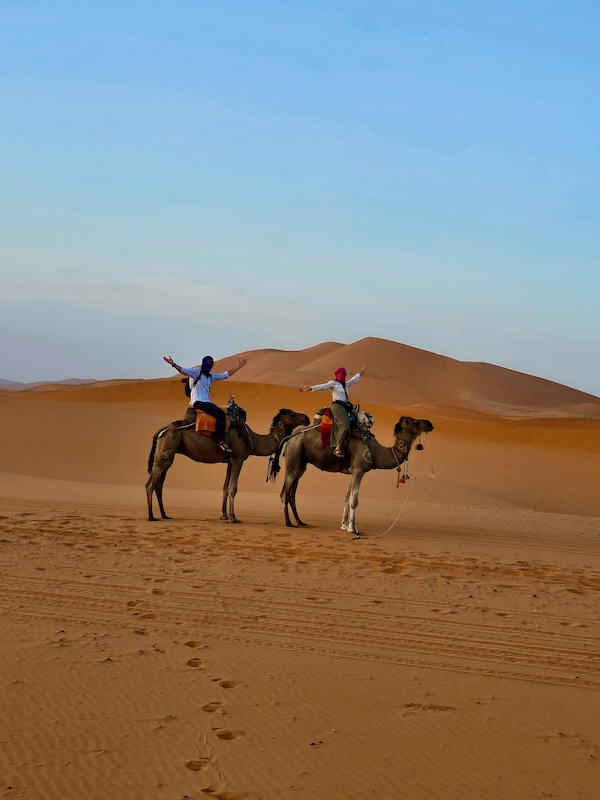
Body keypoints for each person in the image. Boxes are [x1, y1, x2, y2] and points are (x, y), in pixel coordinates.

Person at [163, 354, 247, 453]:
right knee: (221, 415)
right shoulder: (196, 372)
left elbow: (225, 375)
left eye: (211, 363)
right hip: (198, 402)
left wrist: (238, 367)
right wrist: (173, 364)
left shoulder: (210, 376)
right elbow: (183, 370)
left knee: (224, 411)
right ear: (203, 363)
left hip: (207, 402)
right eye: (207, 362)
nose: (209, 364)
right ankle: (220, 440)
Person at [300, 366, 365, 457]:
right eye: (339, 373)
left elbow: (353, 380)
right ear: (336, 374)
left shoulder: (345, 385)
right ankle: (337, 448)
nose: (341, 375)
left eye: (343, 373)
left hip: (345, 407)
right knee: (345, 424)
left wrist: (360, 373)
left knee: (356, 421)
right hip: (337, 407)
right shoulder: (333, 383)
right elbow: (322, 386)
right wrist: (310, 388)